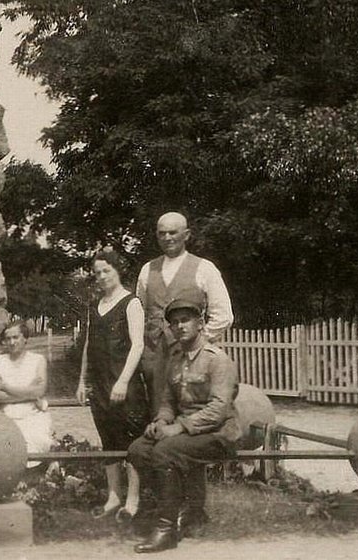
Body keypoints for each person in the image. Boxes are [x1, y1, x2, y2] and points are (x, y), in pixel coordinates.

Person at [135, 211, 233, 521]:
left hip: (192, 357)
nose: (167, 238)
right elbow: (140, 313)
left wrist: (197, 344)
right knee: (163, 428)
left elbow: (224, 314)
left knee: (190, 426)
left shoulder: (204, 268)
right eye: (161, 233)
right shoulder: (147, 270)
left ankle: (193, 507)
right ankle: (164, 502)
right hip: (156, 362)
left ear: (187, 234)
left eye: (173, 232)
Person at [126, 296, 239, 553]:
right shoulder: (176, 361)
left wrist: (179, 427)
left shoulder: (217, 360)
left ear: (200, 323)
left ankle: (166, 530)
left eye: (185, 320)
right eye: (174, 322)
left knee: (165, 451)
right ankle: (178, 511)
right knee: (138, 449)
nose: (180, 326)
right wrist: (160, 421)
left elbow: (219, 410)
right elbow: (168, 401)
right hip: (188, 434)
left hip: (219, 434)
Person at [76, 249, 149, 523]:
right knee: (108, 440)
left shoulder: (131, 303)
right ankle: (113, 497)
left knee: (132, 443)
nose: (102, 276)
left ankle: (133, 501)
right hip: (100, 384)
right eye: (97, 273)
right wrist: (82, 380)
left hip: (124, 385)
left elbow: (138, 345)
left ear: (118, 270)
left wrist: (123, 381)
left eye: (107, 270)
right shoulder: (94, 306)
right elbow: (88, 345)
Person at [0, 320, 53, 467]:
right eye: (8, 339)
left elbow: (40, 390)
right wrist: (29, 392)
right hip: (7, 415)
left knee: (36, 437)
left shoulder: (38, 360)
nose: (12, 342)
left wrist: (5, 387)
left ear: (25, 338)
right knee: (5, 445)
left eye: (15, 337)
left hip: (33, 413)